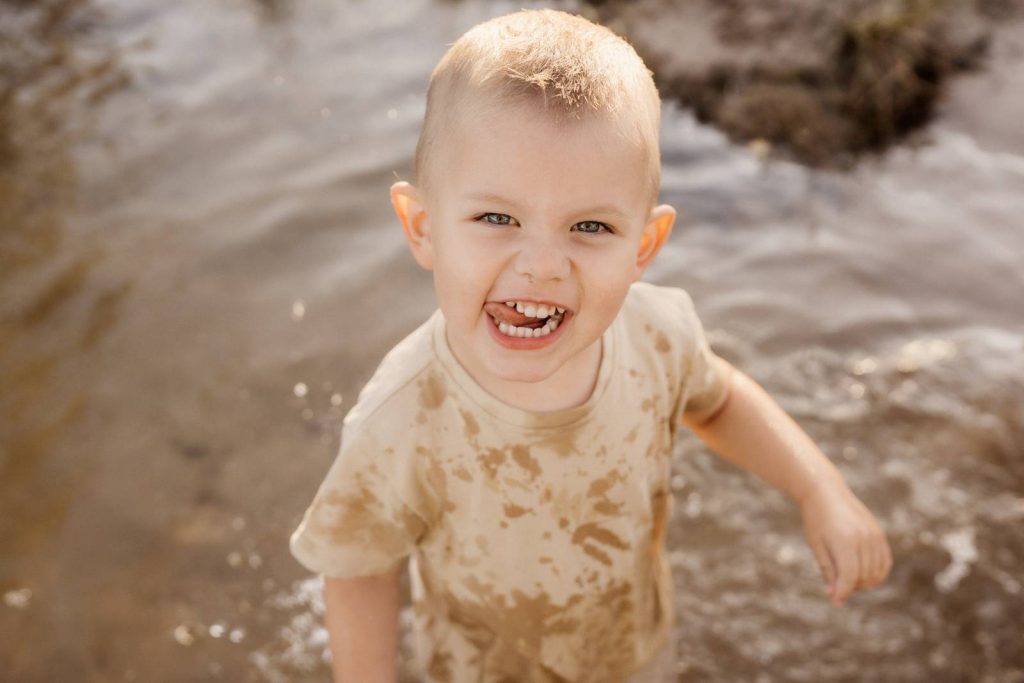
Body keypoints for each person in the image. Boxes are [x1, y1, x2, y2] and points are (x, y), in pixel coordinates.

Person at [289, 9, 892, 683]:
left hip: (635, 653)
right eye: (497, 218)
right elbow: (360, 567)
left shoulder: (655, 333)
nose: (542, 265)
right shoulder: (406, 413)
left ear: (644, 245)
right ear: (423, 227)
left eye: (589, 226)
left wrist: (819, 490)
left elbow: (717, 403)